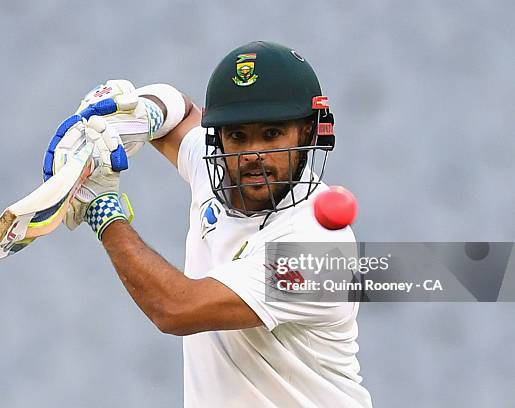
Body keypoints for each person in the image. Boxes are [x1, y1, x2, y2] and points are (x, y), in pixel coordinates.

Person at [43, 41, 372, 407]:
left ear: (308, 133)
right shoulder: (221, 171)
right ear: (220, 139)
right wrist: (140, 111)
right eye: (238, 136)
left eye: (272, 134)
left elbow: (175, 308)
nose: (253, 155)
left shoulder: (319, 249)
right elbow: (181, 112)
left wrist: (103, 211)